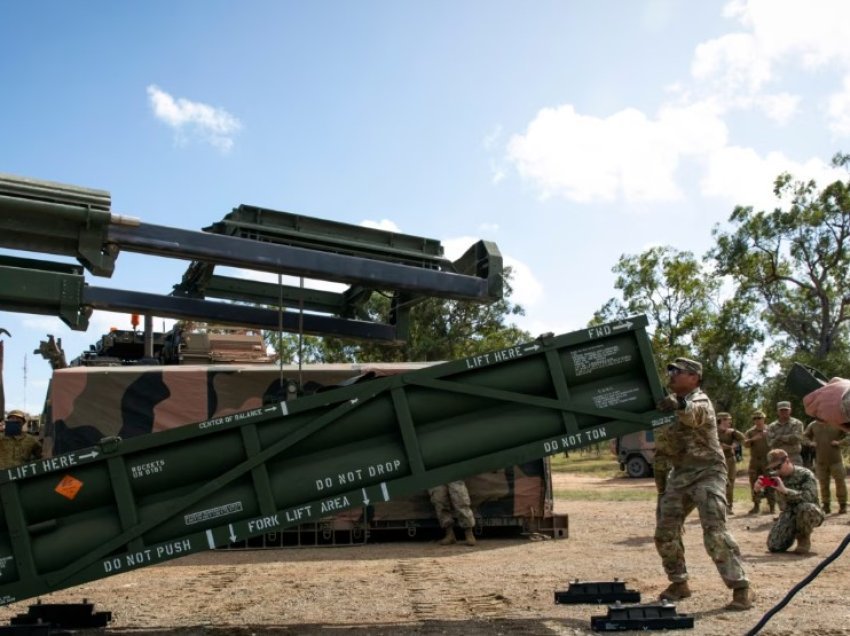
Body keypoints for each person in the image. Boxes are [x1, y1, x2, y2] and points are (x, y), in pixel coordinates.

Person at [654, 357, 754, 611]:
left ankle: (741, 588)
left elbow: (693, 414)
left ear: (694, 378)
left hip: (708, 471)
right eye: (671, 371)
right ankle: (679, 583)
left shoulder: (700, 400)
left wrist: (677, 404)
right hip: (681, 473)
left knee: (714, 531)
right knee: (665, 531)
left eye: (679, 371)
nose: (673, 375)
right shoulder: (669, 404)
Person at [753, 449, 824, 554]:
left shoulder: (805, 475)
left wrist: (785, 491)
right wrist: (757, 490)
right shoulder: (774, 477)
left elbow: (808, 497)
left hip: (810, 513)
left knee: (805, 508)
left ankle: (803, 538)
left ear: (787, 461)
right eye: (773, 468)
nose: (776, 470)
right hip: (788, 514)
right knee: (774, 546)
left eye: (778, 467)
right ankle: (791, 532)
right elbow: (767, 496)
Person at [803, 419, 847, 514]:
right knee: (823, 483)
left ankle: (842, 505)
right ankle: (826, 506)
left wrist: (840, 442)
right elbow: (804, 437)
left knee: (840, 482)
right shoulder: (813, 425)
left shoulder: (837, 422)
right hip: (820, 460)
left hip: (836, 460)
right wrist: (810, 443)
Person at [743, 410, 775, 515]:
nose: (757, 421)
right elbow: (745, 444)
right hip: (755, 460)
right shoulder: (750, 432)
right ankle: (756, 505)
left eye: (759, 418)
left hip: (768, 460)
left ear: (764, 419)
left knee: (769, 481)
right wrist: (753, 439)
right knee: (754, 482)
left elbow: (777, 442)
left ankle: (772, 506)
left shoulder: (771, 429)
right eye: (755, 419)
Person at [428, 480, 476, 546]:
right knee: (439, 500)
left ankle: (469, 533)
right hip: (435, 474)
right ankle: (449, 534)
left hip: (453, 473)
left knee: (460, 498)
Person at [717, 413, 745, 514]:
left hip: (729, 460)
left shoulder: (732, 432)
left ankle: (729, 506)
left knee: (730, 483)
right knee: (718, 483)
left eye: (730, 420)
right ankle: (718, 506)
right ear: (721, 420)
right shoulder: (714, 431)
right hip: (717, 460)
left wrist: (735, 442)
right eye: (727, 420)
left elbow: (743, 439)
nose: (729, 422)